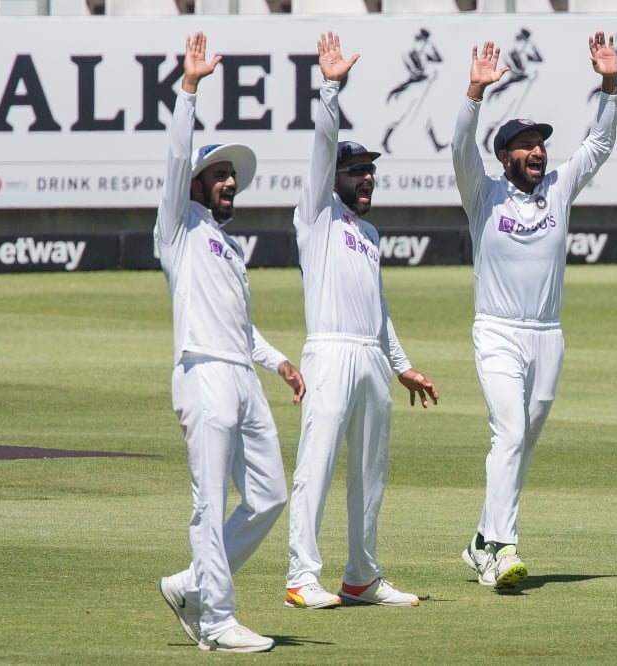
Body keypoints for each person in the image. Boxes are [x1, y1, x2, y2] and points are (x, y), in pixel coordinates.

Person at [452, 32, 617, 591]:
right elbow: (460, 148)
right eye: (524, 145)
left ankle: (481, 540)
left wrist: (610, 84)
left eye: (541, 144)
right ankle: (504, 547)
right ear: (505, 157)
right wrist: (474, 94)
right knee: (509, 432)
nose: (537, 152)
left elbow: (599, 145)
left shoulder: (559, 188)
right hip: (497, 331)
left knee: (521, 444)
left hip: (548, 335)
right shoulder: (483, 194)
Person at [154, 32, 305, 652]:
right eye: (217, 175)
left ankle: (192, 585)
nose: (228, 183)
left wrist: (277, 361)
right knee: (210, 501)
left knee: (269, 495)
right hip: (203, 372)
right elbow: (175, 158)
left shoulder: (227, 244)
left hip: (241, 373)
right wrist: (188, 89)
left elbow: (239, 325)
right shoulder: (176, 227)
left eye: (231, 177)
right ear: (194, 185)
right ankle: (216, 620)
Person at [284, 31, 440, 610]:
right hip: (329, 352)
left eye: (370, 171)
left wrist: (401, 365)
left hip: (371, 358)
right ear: (333, 179)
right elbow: (323, 146)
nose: (366, 177)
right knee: (317, 464)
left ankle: (361, 576)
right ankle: (301, 577)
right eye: (355, 171)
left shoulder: (369, 233)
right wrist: (330, 89)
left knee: (370, 473)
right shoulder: (315, 216)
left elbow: (379, 307)